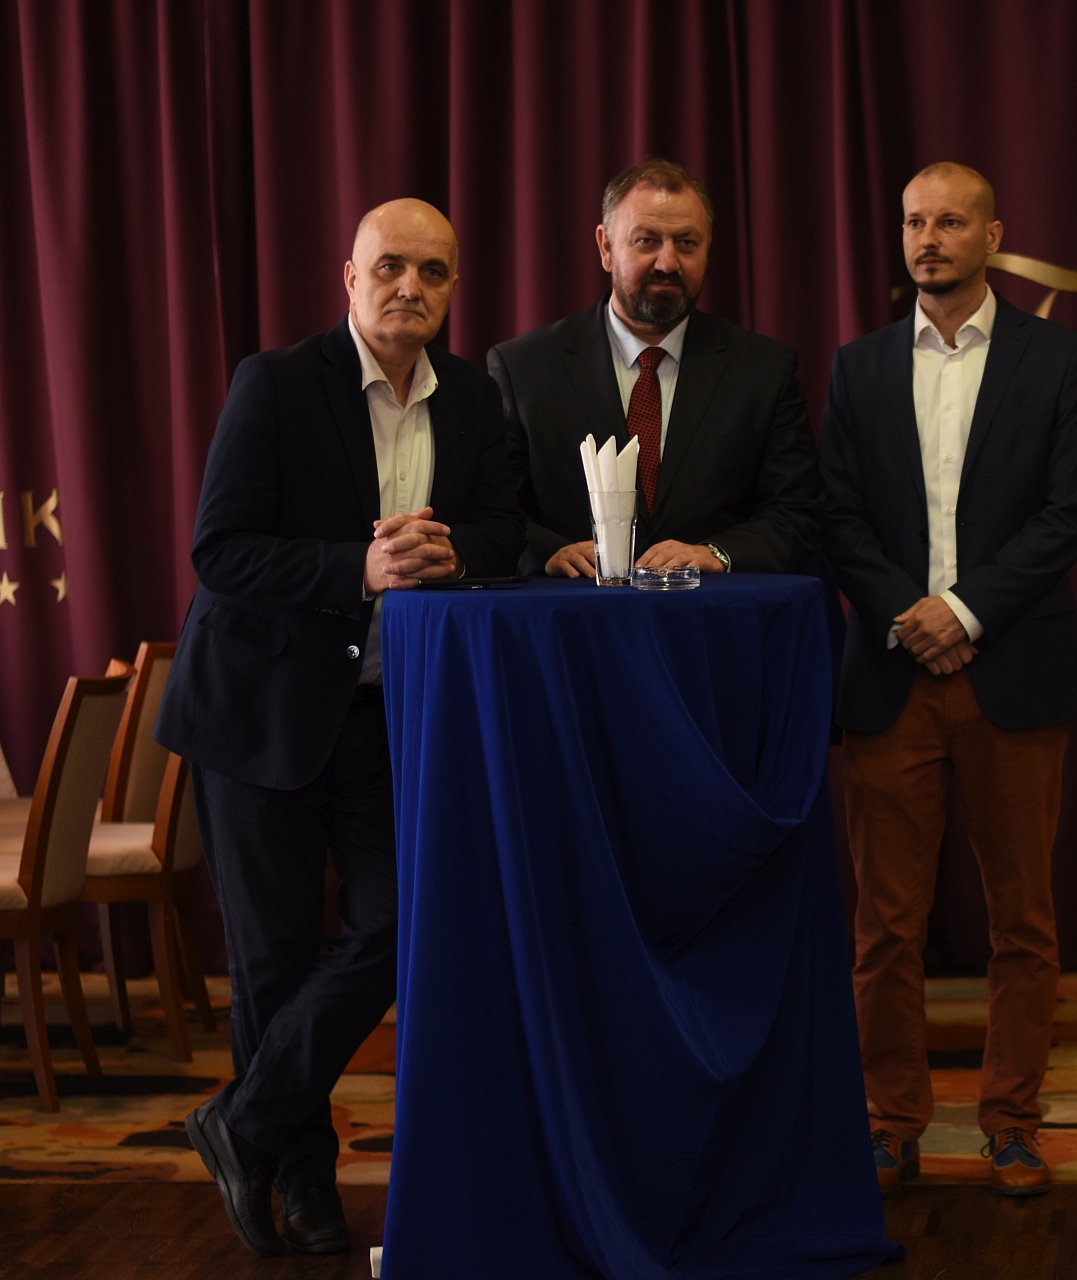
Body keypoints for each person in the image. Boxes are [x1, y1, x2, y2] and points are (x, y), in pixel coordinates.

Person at [155, 199, 523, 1256]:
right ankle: (304, 1183)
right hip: (257, 713)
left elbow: (502, 526)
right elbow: (220, 549)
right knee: (273, 960)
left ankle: (243, 1121)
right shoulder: (274, 382)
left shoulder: (474, 400)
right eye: (391, 266)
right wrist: (354, 566)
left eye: (434, 271)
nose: (412, 286)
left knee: (399, 924)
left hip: (379, 713)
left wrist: (457, 551)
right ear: (349, 278)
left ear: (454, 289)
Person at [819, 162, 1077, 1199]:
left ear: (993, 235)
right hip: (893, 673)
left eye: (949, 221)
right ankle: (890, 1121)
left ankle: (1011, 1119)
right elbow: (837, 516)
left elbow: (1068, 514)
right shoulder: (857, 366)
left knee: (1022, 921)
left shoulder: (1057, 357)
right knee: (884, 926)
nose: (928, 239)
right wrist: (913, 615)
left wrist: (966, 611)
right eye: (913, 222)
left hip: (1011, 671)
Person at [489, 159, 820, 577]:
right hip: (570, 610)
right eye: (646, 241)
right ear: (606, 247)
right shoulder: (524, 368)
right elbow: (495, 511)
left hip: (711, 610)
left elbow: (796, 512)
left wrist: (718, 554)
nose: (668, 263)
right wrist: (549, 553)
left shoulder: (763, 371)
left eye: (687, 243)